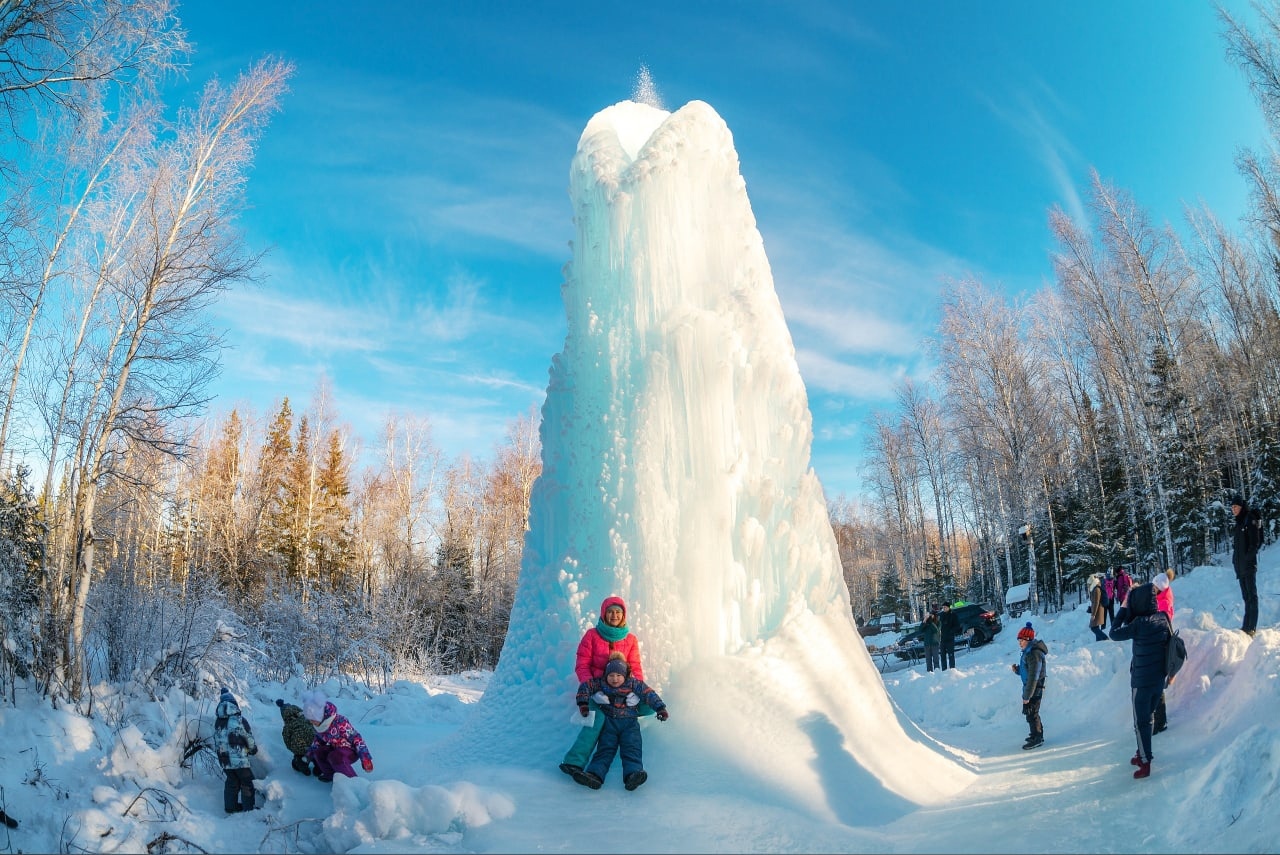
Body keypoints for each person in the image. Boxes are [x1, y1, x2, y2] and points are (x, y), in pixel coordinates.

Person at [560, 596, 647, 777]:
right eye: (610, 611)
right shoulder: (592, 635)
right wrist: (593, 689)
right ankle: (573, 763)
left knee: (635, 717)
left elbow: (635, 667)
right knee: (596, 719)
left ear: (623, 615)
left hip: (622, 692)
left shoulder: (630, 640)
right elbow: (582, 665)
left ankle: (632, 771)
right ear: (604, 614)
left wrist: (636, 692)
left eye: (618, 612)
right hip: (596, 690)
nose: (614, 615)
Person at [571, 653, 669, 791]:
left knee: (631, 748)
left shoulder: (634, 684)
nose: (615, 679)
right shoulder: (601, 683)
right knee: (605, 749)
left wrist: (661, 708)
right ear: (606, 675)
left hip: (629, 724)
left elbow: (649, 694)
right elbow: (585, 687)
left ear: (625, 675)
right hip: (609, 724)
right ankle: (594, 775)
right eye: (611, 675)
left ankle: (633, 775)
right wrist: (583, 704)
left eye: (618, 675)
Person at [1108, 582, 1171, 780]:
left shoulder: (1139, 625)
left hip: (1142, 682)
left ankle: (1145, 761)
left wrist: (1124, 608)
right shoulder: (1163, 618)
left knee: (1141, 722)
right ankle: (1141, 753)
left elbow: (1114, 633)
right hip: (1158, 679)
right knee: (1148, 717)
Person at [301, 692, 374, 782]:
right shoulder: (319, 726)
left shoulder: (339, 722)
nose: (312, 723)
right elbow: (318, 740)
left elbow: (357, 738)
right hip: (336, 748)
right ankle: (330, 775)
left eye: (313, 720)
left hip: (350, 750)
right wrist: (309, 755)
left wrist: (365, 758)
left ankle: (353, 782)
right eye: (310, 720)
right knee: (319, 752)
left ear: (320, 716)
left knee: (335, 756)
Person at [213, 687, 258, 813]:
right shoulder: (239, 720)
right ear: (234, 704)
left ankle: (230, 807)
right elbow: (248, 736)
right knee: (247, 782)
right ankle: (248, 809)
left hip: (224, 761)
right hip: (240, 760)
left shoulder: (217, 722)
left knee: (232, 782)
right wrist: (253, 749)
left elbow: (217, 741)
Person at [1009, 622, 1047, 749]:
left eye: (1022, 640)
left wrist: (1027, 696)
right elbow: (1027, 670)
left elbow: (1033, 677)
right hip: (1030, 687)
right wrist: (1018, 670)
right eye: (1019, 640)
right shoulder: (1028, 652)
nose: (1020, 643)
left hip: (1035, 687)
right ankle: (1034, 733)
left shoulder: (1034, 654)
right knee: (1030, 712)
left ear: (1029, 640)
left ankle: (1038, 737)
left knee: (1032, 712)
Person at [1231, 494, 1263, 636]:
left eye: (1235, 506)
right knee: (1246, 598)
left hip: (1248, 566)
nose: (1233, 509)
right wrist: (1236, 561)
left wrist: (1248, 558)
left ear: (1241, 506)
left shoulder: (1248, 519)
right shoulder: (1238, 523)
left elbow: (1255, 542)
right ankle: (1246, 626)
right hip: (1240, 567)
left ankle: (1252, 627)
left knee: (1252, 596)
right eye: (1232, 507)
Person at [1152, 570, 1175, 734]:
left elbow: (1162, 626)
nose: (1152, 589)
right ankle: (1158, 719)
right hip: (1156, 645)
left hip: (1160, 646)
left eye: (1154, 587)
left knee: (1157, 685)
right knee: (1155, 685)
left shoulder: (1164, 603)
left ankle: (1161, 722)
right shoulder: (1160, 596)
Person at [275, 698, 316, 776]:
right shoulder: (306, 717)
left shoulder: (287, 726)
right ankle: (318, 764)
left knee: (297, 760)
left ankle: (300, 762)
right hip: (314, 744)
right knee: (315, 752)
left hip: (300, 748)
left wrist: (295, 750)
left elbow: (287, 742)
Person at [939, 602, 960, 670]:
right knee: (942, 655)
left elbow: (957, 626)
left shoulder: (953, 615)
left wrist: (951, 631)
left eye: (945, 607)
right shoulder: (941, 615)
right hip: (942, 638)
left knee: (951, 655)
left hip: (950, 638)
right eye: (943, 607)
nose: (944, 608)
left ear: (948, 607)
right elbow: (939, 624)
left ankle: (952, 669)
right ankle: (944, 670)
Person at [1088, 574, 1108, 641]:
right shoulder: (1094, 588)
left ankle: (1105, 638)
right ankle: (1098, 642)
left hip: (1098, 611)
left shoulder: (1096, 589)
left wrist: (1093, 614)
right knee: (1096, 627)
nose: (1088, 585)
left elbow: (1096, 602)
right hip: (1097, 610)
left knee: (1093, 627)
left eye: (1089, 583)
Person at [921, 608, 941, 673]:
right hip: (927, 644)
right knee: (928, 661)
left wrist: (931, 622)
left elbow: (936, 630)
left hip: (934, 644)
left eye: (932, 615)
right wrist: (924, 621)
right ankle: (929, 674)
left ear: (935, 615)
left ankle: (937, 673)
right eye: (930, 615)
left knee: (936, 660)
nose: (930, 616)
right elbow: (920, 630)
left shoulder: (938, 622)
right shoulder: (926, 622)